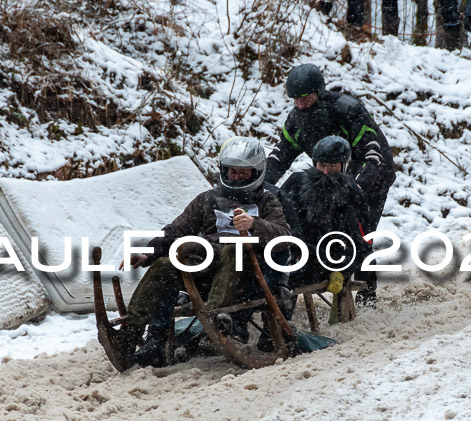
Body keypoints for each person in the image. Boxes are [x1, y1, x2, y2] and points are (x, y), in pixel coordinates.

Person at [120, 137, 291, 367]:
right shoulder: (208, 199)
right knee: (164, 265)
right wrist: (147, 253)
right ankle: (134, 332)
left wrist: (254, 224)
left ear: (257, 173)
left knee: (232, 251)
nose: (237, 178)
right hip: (208, 268)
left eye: (244, 173)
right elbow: (175, 230)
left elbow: (283, 236)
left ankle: (213, 319)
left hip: (248, 275)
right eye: (232, 172)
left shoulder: (267, 201)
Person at [266, 63, 395, 307]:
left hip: (373, 174)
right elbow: (280, 155)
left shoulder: (347, 110)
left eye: (306, 98)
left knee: (361, 229)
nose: (301, 103)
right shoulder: (296, 120)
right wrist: (260, 185)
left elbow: (372, 154)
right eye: (296, 99)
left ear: (319, 91)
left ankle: (368, 290)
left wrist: (356, 188)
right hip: (328, 170)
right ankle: (327, 265)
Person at [281, 136, 373, 307]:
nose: (325, 172)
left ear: (343, 167)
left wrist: (342, 270)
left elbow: (363, 245)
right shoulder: (295, 183)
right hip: (292, 250)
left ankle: (281, 324)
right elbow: (277, 217)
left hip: (327, 261)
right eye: (322, 165)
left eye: (332, 167)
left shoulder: (353, 196)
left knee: (289, 276)